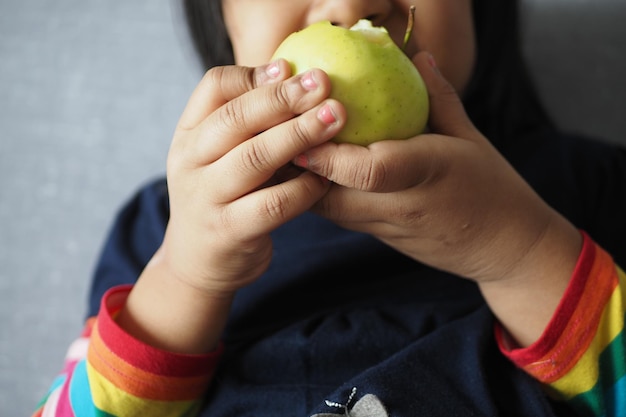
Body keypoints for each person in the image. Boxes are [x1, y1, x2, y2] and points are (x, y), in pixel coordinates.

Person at [33, 0, 626, 416]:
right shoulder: (167, 224)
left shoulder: (590, 184)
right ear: (221, 16)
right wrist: (187, 276)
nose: (352, 7)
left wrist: (519, 253)